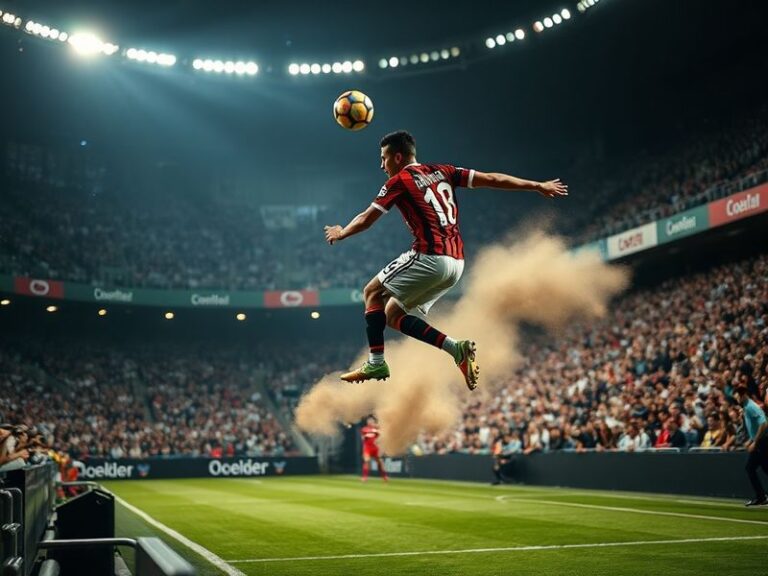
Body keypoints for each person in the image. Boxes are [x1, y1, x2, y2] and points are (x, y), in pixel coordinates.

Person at [324, 130, 568, 389]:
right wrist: (537, 185)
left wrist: (342, 233)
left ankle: (376, 362)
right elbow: (493, 178)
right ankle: (457, 349)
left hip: (430, 256)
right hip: (456, 265)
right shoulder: (445, 171)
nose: (381, 165)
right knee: (393, 315)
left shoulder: (399, 181)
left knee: (371, 291)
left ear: (398, 157)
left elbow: (366, 219)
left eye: (384, 158)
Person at [733, 387, 768, 506]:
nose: (736, 399)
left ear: (743, 395)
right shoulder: (746, 408)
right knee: (762, 468)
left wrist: (755, 442)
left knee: (751, 468)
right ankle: (761, 497)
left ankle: (761, 497)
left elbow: (764, 423)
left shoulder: (751, 407)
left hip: (763, 442)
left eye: (737, 396)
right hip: (760, 441)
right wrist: (751, 440)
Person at [360, 416, 388, 483]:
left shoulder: (377, 428)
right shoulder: (364, 429)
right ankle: (364, 478)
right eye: (369, 421)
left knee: (380, 463)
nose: (370, 422)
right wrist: (365, 436)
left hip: (375, 448)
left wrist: (377, 430)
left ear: (374, 421)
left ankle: (384, 477)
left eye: (371, 421)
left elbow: (381, 435)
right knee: (367, 461)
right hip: (367, 448)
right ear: (367, 422)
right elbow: (362, 438)